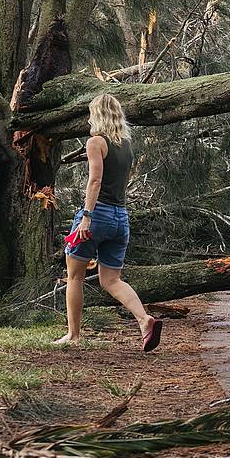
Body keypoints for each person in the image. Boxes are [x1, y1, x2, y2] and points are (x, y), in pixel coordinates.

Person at [53, 93, 162, 352]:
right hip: (120, 217)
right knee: (112, 280)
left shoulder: (96, 142)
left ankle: (74, 335)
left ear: (97, 115)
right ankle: (144, 319)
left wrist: (86, 217)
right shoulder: (126, 144)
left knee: (75, 277)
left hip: (97, 215)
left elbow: (95, 181)